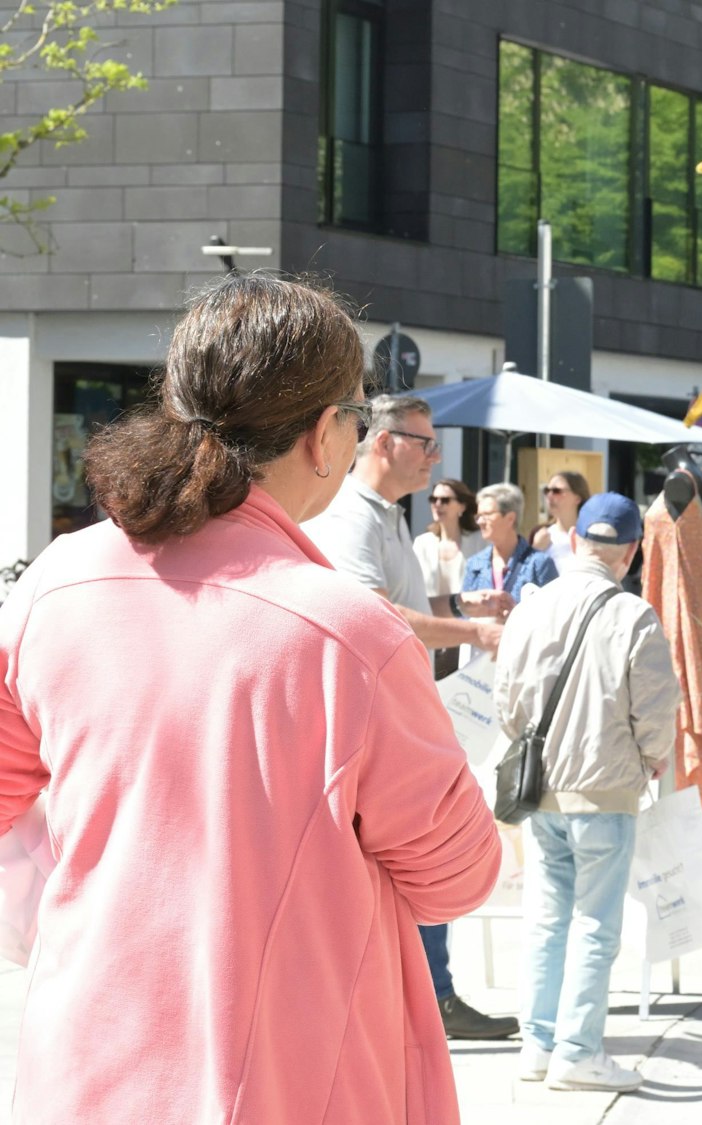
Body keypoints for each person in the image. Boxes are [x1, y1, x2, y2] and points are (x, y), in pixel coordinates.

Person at [0, 275, 502, 1122]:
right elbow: (459, 875)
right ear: (321, 434)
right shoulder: (354, 635)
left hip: (85, 1059)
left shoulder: (56, 581)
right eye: (357, 414)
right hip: (291, 1073)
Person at [303, 393, 518, 1041]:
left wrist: (460, 604)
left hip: (395, 717)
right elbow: (375, 614)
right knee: (420, 856)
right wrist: (471, 631)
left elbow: (397, 599)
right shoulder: (351, 515)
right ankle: (423, 998)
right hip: (375, 725)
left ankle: (428, 993)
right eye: (424, 443)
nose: (436, 456)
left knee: (418, 861)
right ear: (382, 442)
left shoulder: (384, 514)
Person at [492, 492, 679, 1093]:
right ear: (629, 553)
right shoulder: (634, 615)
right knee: (596, 923)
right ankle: (578, 1051)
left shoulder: (532, 607)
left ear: (577, 543)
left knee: (547, 918)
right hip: (604, 786)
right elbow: (656, 712)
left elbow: (506, 703)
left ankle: (537, 1045)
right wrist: (649, 759)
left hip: (540, 786)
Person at [416, 477, 481, 677]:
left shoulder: (479, 542)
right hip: (431, 630)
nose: (437, 505)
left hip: (465, 631)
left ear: (461, 506)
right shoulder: (422, 543)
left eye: (445, 500)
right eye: (433, 499)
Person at [464, 482, 561, 608]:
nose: (481, 522)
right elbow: (464, 613)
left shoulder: (539, 564)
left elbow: (554, 613)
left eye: (487, 515)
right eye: (479, 516)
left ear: (510, 518)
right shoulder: (475, 564)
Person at [533, 470, 592, 574]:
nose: (549, 496)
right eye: (547, 490)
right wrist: (535, 550)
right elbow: (526, 575)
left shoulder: (591, 535)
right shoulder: (540, 534)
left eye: (557, 491)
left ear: (577, 498)